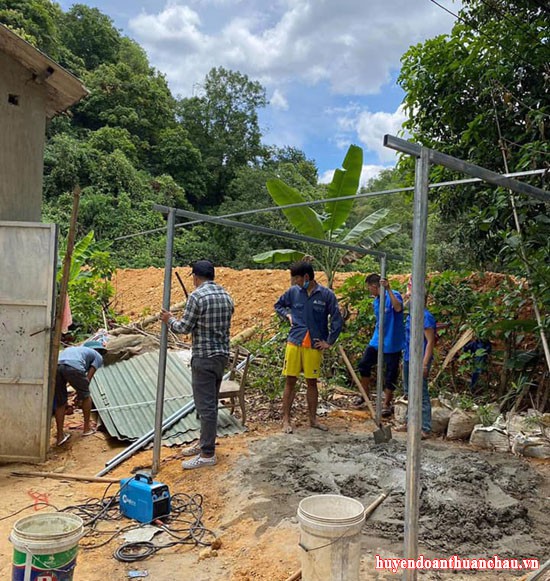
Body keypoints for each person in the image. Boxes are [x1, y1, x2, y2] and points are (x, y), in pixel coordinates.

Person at [161, 260, 234, 470]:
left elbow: (183, 327)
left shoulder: (197, 296)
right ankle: (204, 442)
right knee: (210, 403)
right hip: (221, 356)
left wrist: (169, 319)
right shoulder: (225, 295)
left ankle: (207, 454)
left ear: (195, 277)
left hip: (203, 357)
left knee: (206, 407)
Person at [274, 261, 343, 434]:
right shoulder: (293, 292)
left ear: (306, 277)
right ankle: (285, 420)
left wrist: (329, 341)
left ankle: (313, 420)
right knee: (290, 381)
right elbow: (278, 305)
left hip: (314, 344)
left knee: (312, 382)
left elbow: (337, 319)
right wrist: (288, 315)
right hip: (294, 341)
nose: (294, 282)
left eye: (296, 278)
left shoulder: (326, 295)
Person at [357, 274, 404, 417]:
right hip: (377, 340)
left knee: (390, 373)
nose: (369, 290)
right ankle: (365, 395)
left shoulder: (393, 295)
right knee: (364, 364)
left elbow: (398, 308)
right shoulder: (376, 301)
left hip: (392, 341)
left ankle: (386, 404)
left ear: (374, 286)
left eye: (369, 287)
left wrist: (388, 289)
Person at [54, 340, 106, 446]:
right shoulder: (98, 356)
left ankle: (60, 437)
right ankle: (86, 429)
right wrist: (81, 396)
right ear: (98, 350)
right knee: (87, 396)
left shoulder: (75, 350)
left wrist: (78, 394)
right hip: (74, 366)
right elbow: (87, 380)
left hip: (57, 366)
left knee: (60, 402)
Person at [400, 294, 436, 438]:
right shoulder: (411, 315)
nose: (409, 299)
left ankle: (425, 427)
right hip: (409, 357)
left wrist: (425, 364)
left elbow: (430, 342)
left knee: (421, 393)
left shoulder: (425, 317)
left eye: (411, 297)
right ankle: (409, 422)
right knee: (409, 392)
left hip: (419, 360)